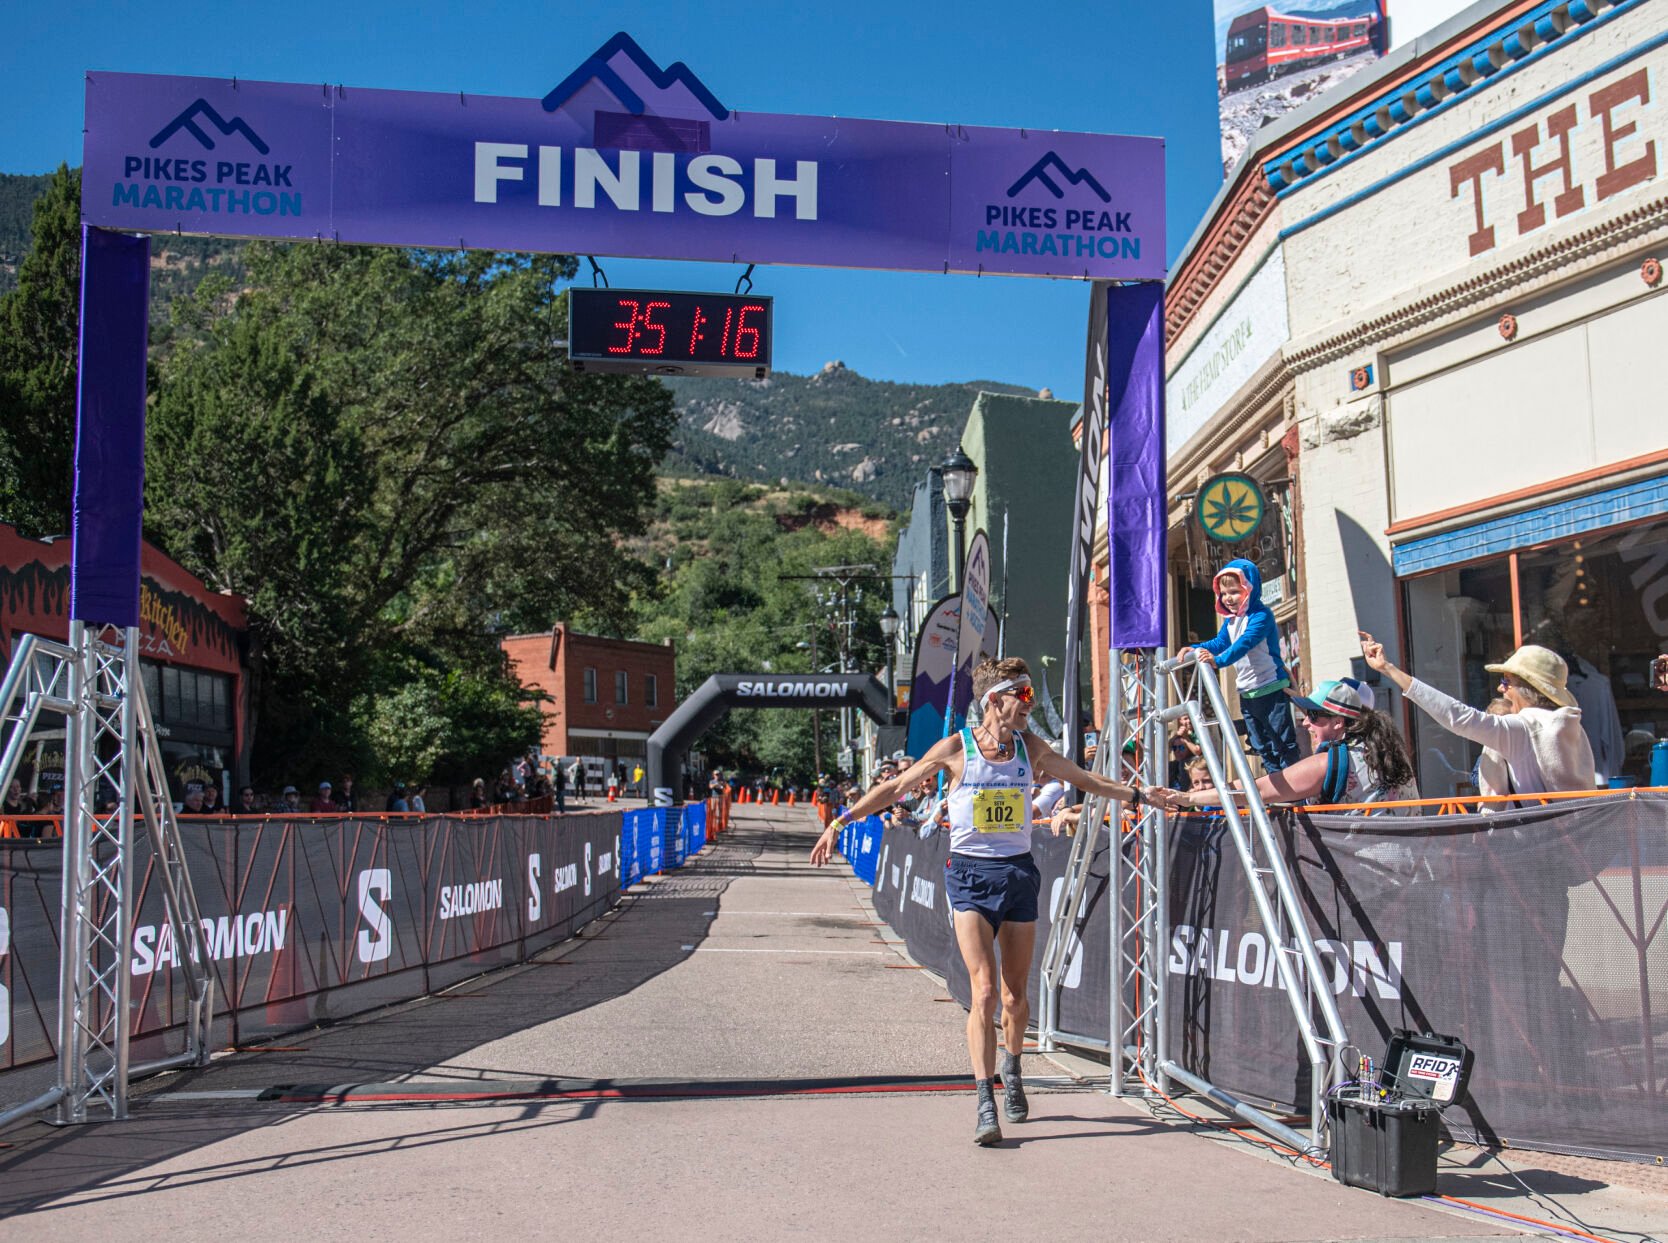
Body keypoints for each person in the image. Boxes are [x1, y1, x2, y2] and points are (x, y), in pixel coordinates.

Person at [811, 656, 1181, 1146]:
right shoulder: (956, 748)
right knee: (982, 993)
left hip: (1018, 874)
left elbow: (1086, 780)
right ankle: (985, 1098)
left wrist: (1138, 795)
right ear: (994, 700)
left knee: (1015, 995)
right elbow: (897, 787)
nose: (1029, 705)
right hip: (967, 875)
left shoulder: (1031, 748)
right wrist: (841, 821)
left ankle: (1013, 1066)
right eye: (1022, 696)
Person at [1361, 632, 1594, 795]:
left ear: (1525, 688)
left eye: (1506, 681)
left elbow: (1458, 717)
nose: (1500, 688)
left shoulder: (1521, 728)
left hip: (1534, 848)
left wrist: (1388, 669)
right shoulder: (1571, 726)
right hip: (1574, 841)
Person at [1169, 678, 1417, 811]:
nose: (1306, 724)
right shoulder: (1387, 752)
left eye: (1313, 716)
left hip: (1363, 882)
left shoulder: (1330, 762)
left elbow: (1258, 790)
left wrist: (1189, 798)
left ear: (1339, 722)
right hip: (1411, 875)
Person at [1176, 559, 1301, 773]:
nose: (1228, 598)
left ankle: (1297, 794)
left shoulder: (1261, 615)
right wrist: (1194, 648)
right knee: (1261, 746)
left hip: (1270, 688)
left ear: (1250, 588)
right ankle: (1276, 797)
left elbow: (1245, 642)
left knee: (1282, 743)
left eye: (1234, 591)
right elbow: (1220, 642)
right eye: (1223, 594)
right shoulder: (1231, 621)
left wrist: (1218, 661)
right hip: (1248, 692)